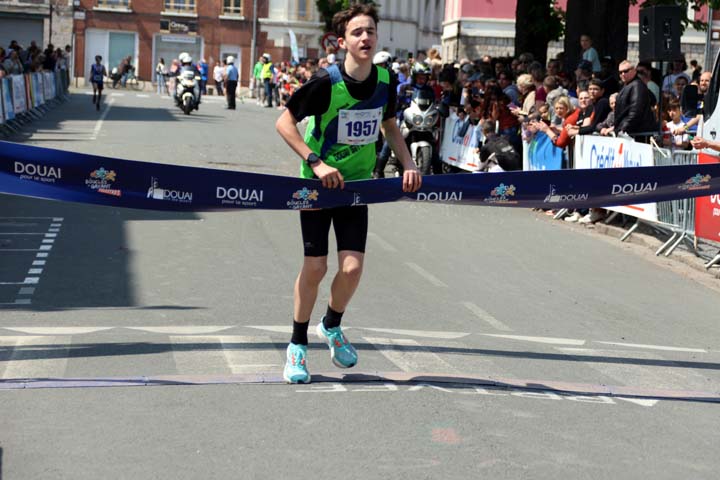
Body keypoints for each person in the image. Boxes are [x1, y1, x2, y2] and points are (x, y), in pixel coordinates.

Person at [275, 4, 422, 384]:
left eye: (370, 31)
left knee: (353, 268)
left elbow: (389, 125)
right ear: (342, 42)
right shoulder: (326, 82)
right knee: (316, 267)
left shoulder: (387, 81)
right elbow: (284, 122)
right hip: (318, 186)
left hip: (357, 187)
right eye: (357, 33)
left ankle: (332, 325)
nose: (365, 38)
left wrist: (407, 163)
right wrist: (317, 162)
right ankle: (297, 347)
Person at [614, 60, 657, 138]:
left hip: (635, 134)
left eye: (626, 71)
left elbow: (636, 111)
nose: (623, 74)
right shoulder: (627, 85)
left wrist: (622, 129)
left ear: (634, 71)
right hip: (628, 132)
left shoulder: (637, 86)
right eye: (620, 72)